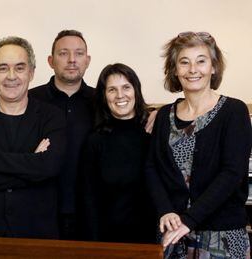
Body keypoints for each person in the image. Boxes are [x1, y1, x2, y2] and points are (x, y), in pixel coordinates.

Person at [147, 32, 251, 258]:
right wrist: (165, 210)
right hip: (173, 234)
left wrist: (189, 220)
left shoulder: (234, 112)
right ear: (175, 70)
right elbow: (151, 168)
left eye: (201, 61)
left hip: (221, 236)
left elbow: (233, 173)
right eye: (184, 62)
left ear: (213, 67)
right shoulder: (164, 116)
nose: (193, 69)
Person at [0, 36, 66, 238]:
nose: (11, 76)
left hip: (38, 234)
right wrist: (32, 167)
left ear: (32, 73)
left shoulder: (52, 116)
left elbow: (50, 167)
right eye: (3, 68)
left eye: (20, 67)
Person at [28, 30, 94, 240]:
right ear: (50, 60)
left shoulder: (102, 101)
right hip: (38, 208)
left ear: (88, 60)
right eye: (63, 53)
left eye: (79, 53)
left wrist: (155, 115)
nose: (72, 60)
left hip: (89, 211)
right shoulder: (29, 100)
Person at [79, 63, 155, 243]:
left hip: (154, 238)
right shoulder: (95, 141)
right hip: (110, 240)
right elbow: (88, 201)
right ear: (104, 97)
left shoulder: (155, 131)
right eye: (112, 90)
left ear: (136, 90)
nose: (120, 95)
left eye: (126, 87)